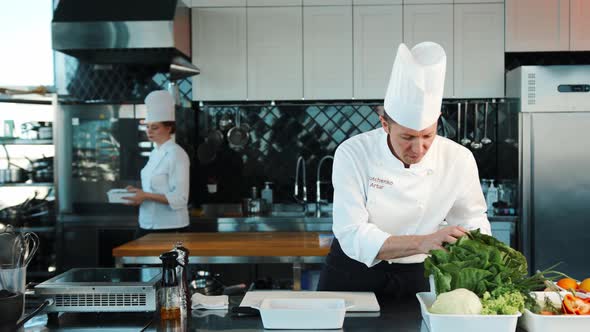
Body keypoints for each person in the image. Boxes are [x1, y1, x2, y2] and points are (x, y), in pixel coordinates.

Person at [317, 42, 491, 298]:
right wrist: (423, 241)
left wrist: (476, 253)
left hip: (417, 275)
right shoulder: (353, 152)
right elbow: (352, 232)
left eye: (428, 135)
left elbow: (472, 220)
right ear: (384, 124)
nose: (419, 148)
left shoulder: (458, 158)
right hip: (353, 273)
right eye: (407, 137)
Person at [124, 90, 191, 239]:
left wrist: (146, 195)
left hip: (170, 228)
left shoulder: (176, 154)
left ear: (168, 128)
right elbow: (156, 188)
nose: (149, 131)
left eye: (155, 127)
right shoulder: (155, 153)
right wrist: (138, 193)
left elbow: (180, 198)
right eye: (148, 127)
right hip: (147, 223)